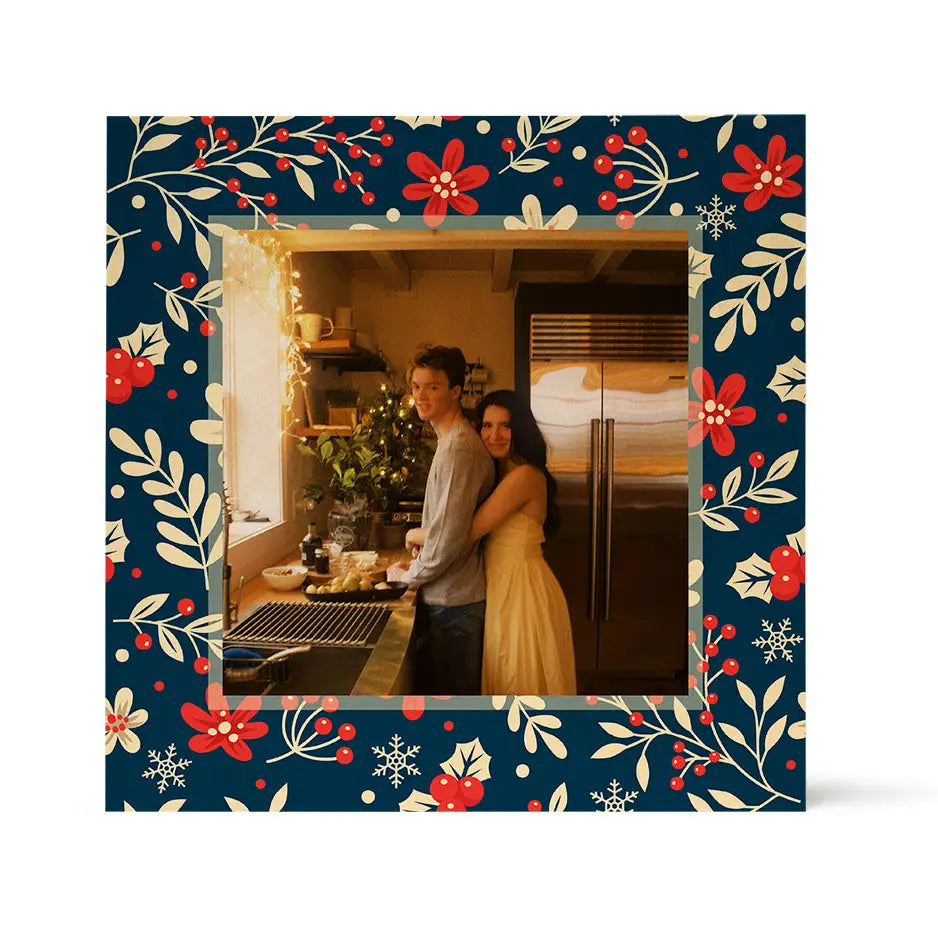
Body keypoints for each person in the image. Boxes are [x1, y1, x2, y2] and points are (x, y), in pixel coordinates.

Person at [406, 389, 577, 695]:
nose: (494, 434)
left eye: (505, 426)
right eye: (486, 425)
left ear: (520, 430)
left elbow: (464, 532)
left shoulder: (523, 476)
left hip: (522, 593)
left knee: (518, 686)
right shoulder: (503, 473)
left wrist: (413, 534)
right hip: (503, 588)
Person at [385, 346, 495, 694]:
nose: (419, 395)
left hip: (455, 605)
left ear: (455, 392)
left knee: (453, 715)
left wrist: (409, 578)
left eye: (431, 386)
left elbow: (449, 538)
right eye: (416, 386)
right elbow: (453, 523)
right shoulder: (451, 442)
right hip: (451, 600)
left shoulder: (458, 448)